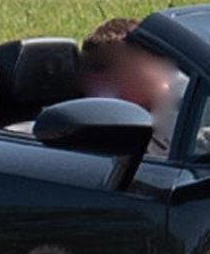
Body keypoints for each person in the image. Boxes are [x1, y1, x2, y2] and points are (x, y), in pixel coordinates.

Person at [79, 17, 186, 156]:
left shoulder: (176, 118)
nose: (166, 69)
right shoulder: (96, 139)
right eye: (150, 60)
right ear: (99, 81)